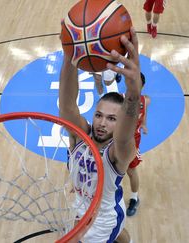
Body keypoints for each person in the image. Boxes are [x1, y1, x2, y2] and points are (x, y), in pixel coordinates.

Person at [59, 27, 141, 243]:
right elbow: (67, 106)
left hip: (103, 219)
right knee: (121, 235)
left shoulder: (117, 152)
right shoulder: (80, 136)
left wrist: (133, 92)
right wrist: (69, 54)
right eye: (98, 115)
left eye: (112, 119)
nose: (102, 123)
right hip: (84, 204)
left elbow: (124, 136)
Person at [126, 73, 150, 217]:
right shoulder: (120, 98)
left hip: (133, 140)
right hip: (117, 140)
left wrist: (144, 125)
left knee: (131, 170)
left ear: (142, 85)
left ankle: (134, 197)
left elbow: (144, 115)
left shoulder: (145, 100)